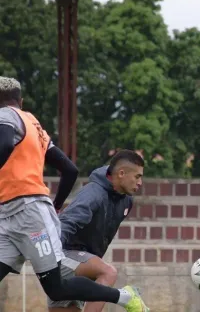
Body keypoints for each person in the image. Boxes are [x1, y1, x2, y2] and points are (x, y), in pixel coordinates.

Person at [0, 76, 148, 312]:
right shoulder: (33, 125)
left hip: (27, 214)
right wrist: (55, 207)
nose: (140, 182)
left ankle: (123, 297)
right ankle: (122, 296)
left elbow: (5, 144)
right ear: (21, 100)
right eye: (137, 176)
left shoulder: (5, 116)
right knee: (61, 290)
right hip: (18, 215)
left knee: (59, 287)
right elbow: (69, 170)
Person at [47, 149, 144, 312]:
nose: (140, 182)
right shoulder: (94, 193)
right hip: (62, 255)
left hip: (82, 264)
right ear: (121, 173)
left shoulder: (127, 201)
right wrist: (52, 256)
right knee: (108, 272)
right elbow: (66, 222)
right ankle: (126, 296)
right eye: (137, 177)